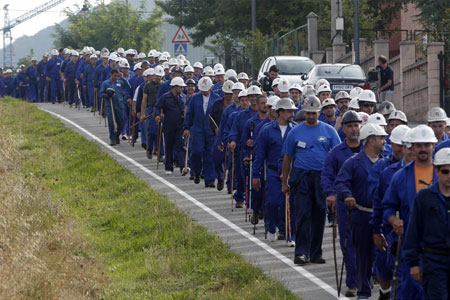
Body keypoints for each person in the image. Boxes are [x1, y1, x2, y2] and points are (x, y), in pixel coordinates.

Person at [281, 95, 341, 265]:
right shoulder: (295, 132)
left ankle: (316, 252)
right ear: (304, 112)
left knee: (319, 215)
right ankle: (301, 252)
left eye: (314, 113)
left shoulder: (329, 131)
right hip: (301, 177)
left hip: (321, 178)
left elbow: (338, 156)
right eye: (308, 113)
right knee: (302, 214)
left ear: (319, 112)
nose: (311, 116)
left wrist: (336, 183)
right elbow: (287, 158)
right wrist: (284, 182)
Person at [383, 125, 439, 300]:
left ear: (433, 146)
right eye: (419, 145)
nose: (423, 149)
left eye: (427, 145)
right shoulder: (400, 177)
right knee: (406, 292)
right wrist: (394, 222)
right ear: (412, 147)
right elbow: (388, 207)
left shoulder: (444, 174)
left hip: (439, 247)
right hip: (410, 245)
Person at [335, 123, 388, 300]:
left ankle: (384, 289)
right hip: (362, 215)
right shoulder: (353, 163)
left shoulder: (386, 163)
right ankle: (364, 292)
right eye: (381, 138)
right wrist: (347, 196)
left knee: (384, 256)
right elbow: (341, 183)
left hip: (382, 217)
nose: (384, 141)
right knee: (363, 256)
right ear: (371, 140)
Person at [321, 110, 362, 297]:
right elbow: (328, 175)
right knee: (349, 243)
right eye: (350, 126)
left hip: (368, 204)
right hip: (346, 205)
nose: (354, 129)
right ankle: (353, 282)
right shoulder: (336, 153)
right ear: (343, 129)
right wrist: (330, 194)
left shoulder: (369, 149)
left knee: (369, 242)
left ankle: (370, 276)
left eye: (356, 125)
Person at [368, 125, 410, 299]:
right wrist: (376, 230)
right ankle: (385, 293)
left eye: (405, 146)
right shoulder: (385, 171)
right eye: (398, 145)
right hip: (389, 229)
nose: (401, 149)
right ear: (392, 144)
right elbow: (377, 201)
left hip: (412, 232)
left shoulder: (429, 171)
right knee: (384, 269)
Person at [403, 147, 450, 300]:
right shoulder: (424, 197)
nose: (449, 176)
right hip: (434, 262)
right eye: (445, 171)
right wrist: (413, 263)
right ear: (437, 171)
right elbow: (413, 231)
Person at [253, 98, 296, 243]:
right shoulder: (267, 131)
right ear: (280, 112)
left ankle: (288, 233)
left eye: (292, 111)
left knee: (289, 203)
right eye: (289, 111)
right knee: (273, 202)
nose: (292, 114)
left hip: (291, 173)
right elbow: (259, 155)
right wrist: (255, 175)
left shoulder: (295, 130)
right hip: (272, 172)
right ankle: (271, 226)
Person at [229, 85, 261, 206]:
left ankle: (257, 204)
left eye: (255, 96)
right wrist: (232, 140)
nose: (253, 98)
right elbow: (234, 131)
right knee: (243, 176)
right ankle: (242, 198)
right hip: (244, 151)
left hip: (260, 152)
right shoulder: (240, 116)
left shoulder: (265, 114)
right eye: (251, 96)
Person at [183, 76, 219, 187]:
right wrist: (186, 128)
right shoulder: (194, 98)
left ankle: (210, 180)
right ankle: (196, 172)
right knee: (196, 153)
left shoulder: (216, 99)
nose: (204, 91)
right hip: (197, 130)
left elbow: (219, 115)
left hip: (211, 132)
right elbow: (189, 114)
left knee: (210, 155)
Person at [154, 77, 187, 174]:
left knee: (181, 145)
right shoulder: (165, 97)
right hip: (168, 124)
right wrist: (157, 116)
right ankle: (168, 167)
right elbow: (157, 107)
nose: (182, 89)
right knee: (169, 145)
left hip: (180, 125)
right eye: (180, 87)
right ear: (175, 87)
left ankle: (183, 166)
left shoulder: (184, 97)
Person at [210, 80, 234, 190]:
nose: (228, 95)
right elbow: (211, 118)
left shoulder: (237, 107)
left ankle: (230, 183)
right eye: (226, 93)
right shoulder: (217, 104)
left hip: (232, 136)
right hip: (219, 134)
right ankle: (220, 176)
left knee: (231, 162)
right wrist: (215, 129)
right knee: (217, 159)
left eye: (230, 93)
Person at [99, 69, 125, 145]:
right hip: (110, 104)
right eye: (114, 76)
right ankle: (112, 138)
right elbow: (101, 94)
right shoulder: (106, 83)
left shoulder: (120, 82)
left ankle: (117, 135)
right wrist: (108, 95)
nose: (116, 77)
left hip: (119, 104)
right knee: (111, 122)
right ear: (111, 75)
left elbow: (128, 86)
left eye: (117, 76)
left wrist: (123, 78)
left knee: (121, 122)